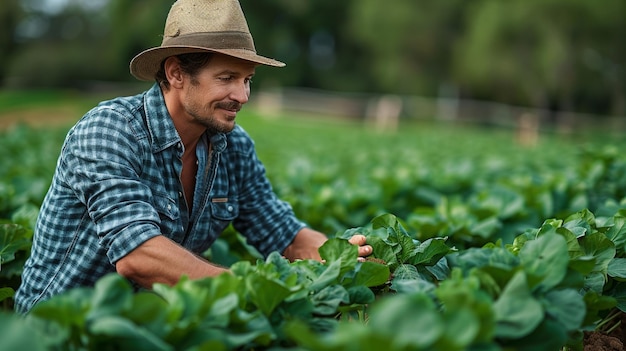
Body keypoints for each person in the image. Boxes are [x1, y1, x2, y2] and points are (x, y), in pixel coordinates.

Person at [14, 0, 372, 314]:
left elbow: (284, 234)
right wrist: (252, 288)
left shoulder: (233, 147)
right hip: (57, 330)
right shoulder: (110, 131)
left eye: (247, 79)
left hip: (151, 324)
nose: (242, 95)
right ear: (176, 73)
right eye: (227, 77)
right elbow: (138, 256)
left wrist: (339, 256)